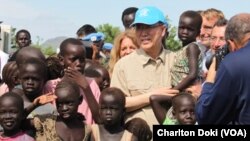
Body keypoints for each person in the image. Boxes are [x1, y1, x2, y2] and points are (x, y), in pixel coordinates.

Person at [111, 6, 178, 129]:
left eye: (149, 27)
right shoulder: (123, 65)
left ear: (163, 30)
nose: (143, 33)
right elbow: (115, 104)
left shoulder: (177, 60)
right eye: (139, 27)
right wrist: (152, 97)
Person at [196, 13, 250, 124]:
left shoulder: (234, 63)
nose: (216, 44)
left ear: (231, 43)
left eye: (222, 39)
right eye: (213, 38)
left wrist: (209, 82)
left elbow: (206, 117)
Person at [44, 38, 101, 124]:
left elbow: (100, 119)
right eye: (73, 59)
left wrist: (86, 88)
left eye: (82, 59)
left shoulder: (92, 84)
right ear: (61, 60)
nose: (78, 64)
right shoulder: (51, 86)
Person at [27, 80, 92, 141]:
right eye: (59, 104)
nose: (64, 108)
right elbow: (19, 122)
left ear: (80, 100)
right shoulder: (45, 122)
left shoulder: (86, 130)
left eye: (69, 103)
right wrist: (34, 105)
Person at [171, 10, 203, 91]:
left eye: (190, 29)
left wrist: (174, 90)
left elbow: (192, 75)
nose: (185, 32)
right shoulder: (183, 49)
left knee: (154, 99)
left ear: (198, 33)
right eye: (182, 28)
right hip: (180, 90)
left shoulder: (192, 47)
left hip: (187, 91)